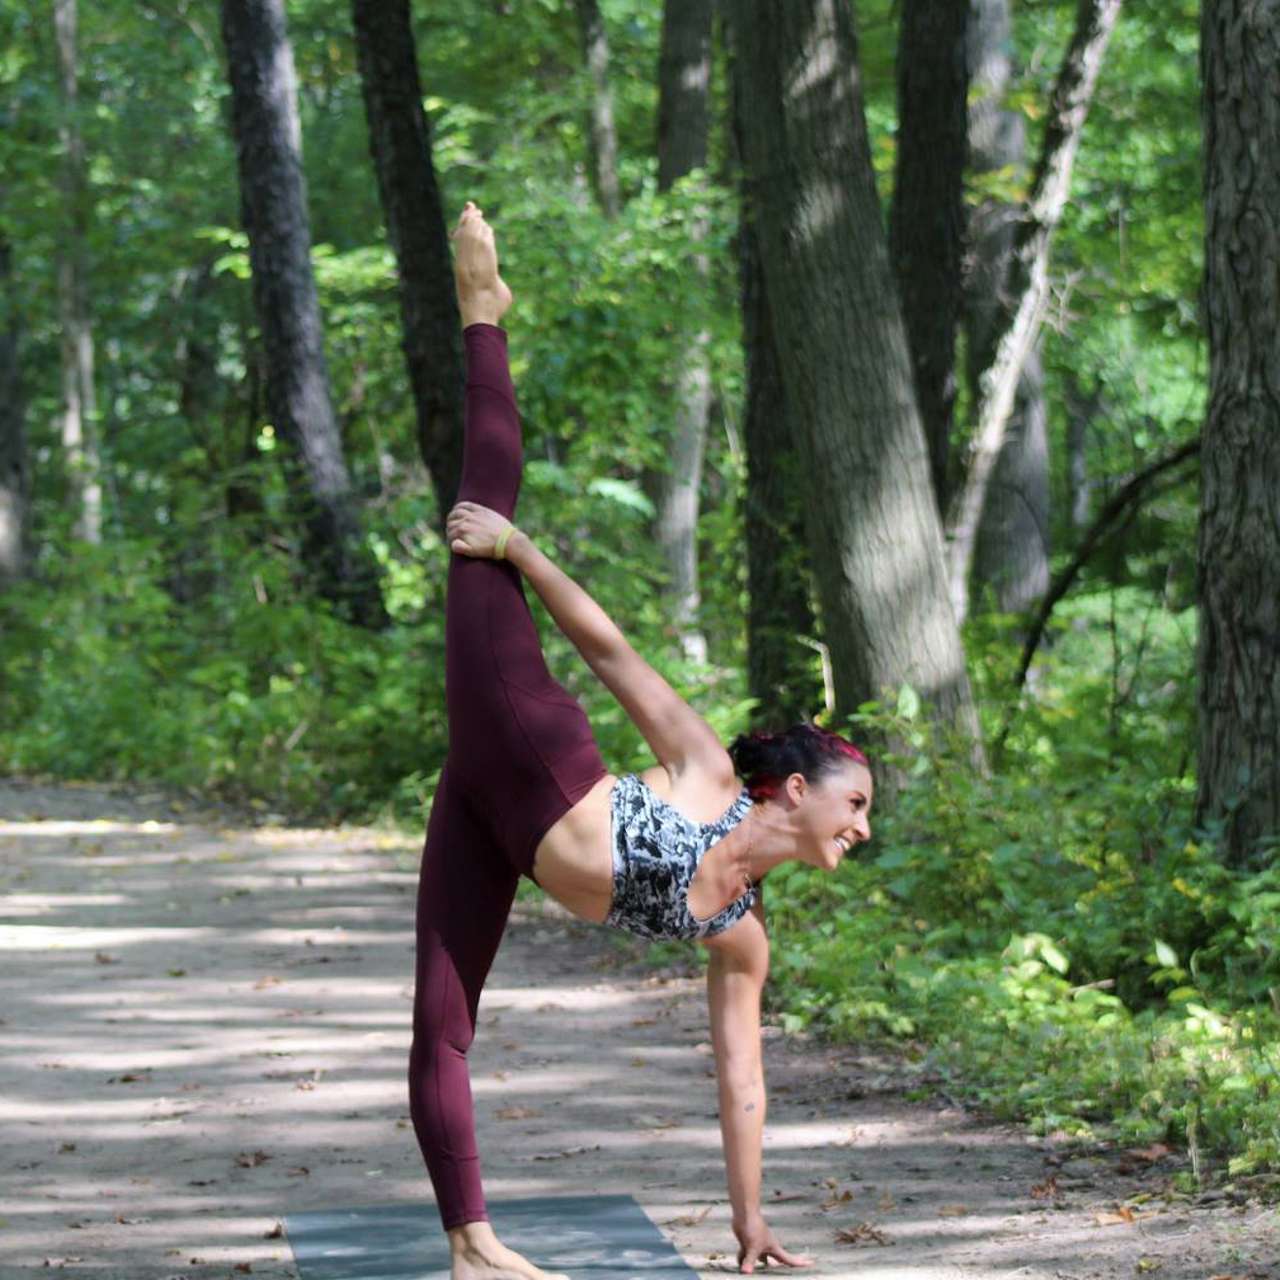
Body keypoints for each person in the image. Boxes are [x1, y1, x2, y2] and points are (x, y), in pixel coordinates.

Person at [412, 201, 875, 1280]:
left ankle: (471, 1246)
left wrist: (747, 1220)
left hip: (492, 820)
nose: (861, 829)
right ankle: (483, 308)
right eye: (854, 805)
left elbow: (740, 1075)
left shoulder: (744, 932)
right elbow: (614, 656)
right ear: (795, 789)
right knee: (479, 519)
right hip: (519, 731)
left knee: (442, 1018)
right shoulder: (709, 769)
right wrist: (522, 552)